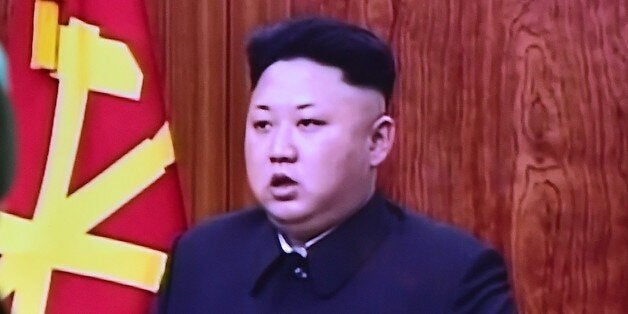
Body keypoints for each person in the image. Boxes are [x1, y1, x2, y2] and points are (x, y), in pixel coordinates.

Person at [158, 17, 515, 313]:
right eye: (263, 125)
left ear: (377, 141)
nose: (279, 150)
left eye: (308, 124)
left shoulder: (453, 276)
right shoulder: (202, 256)